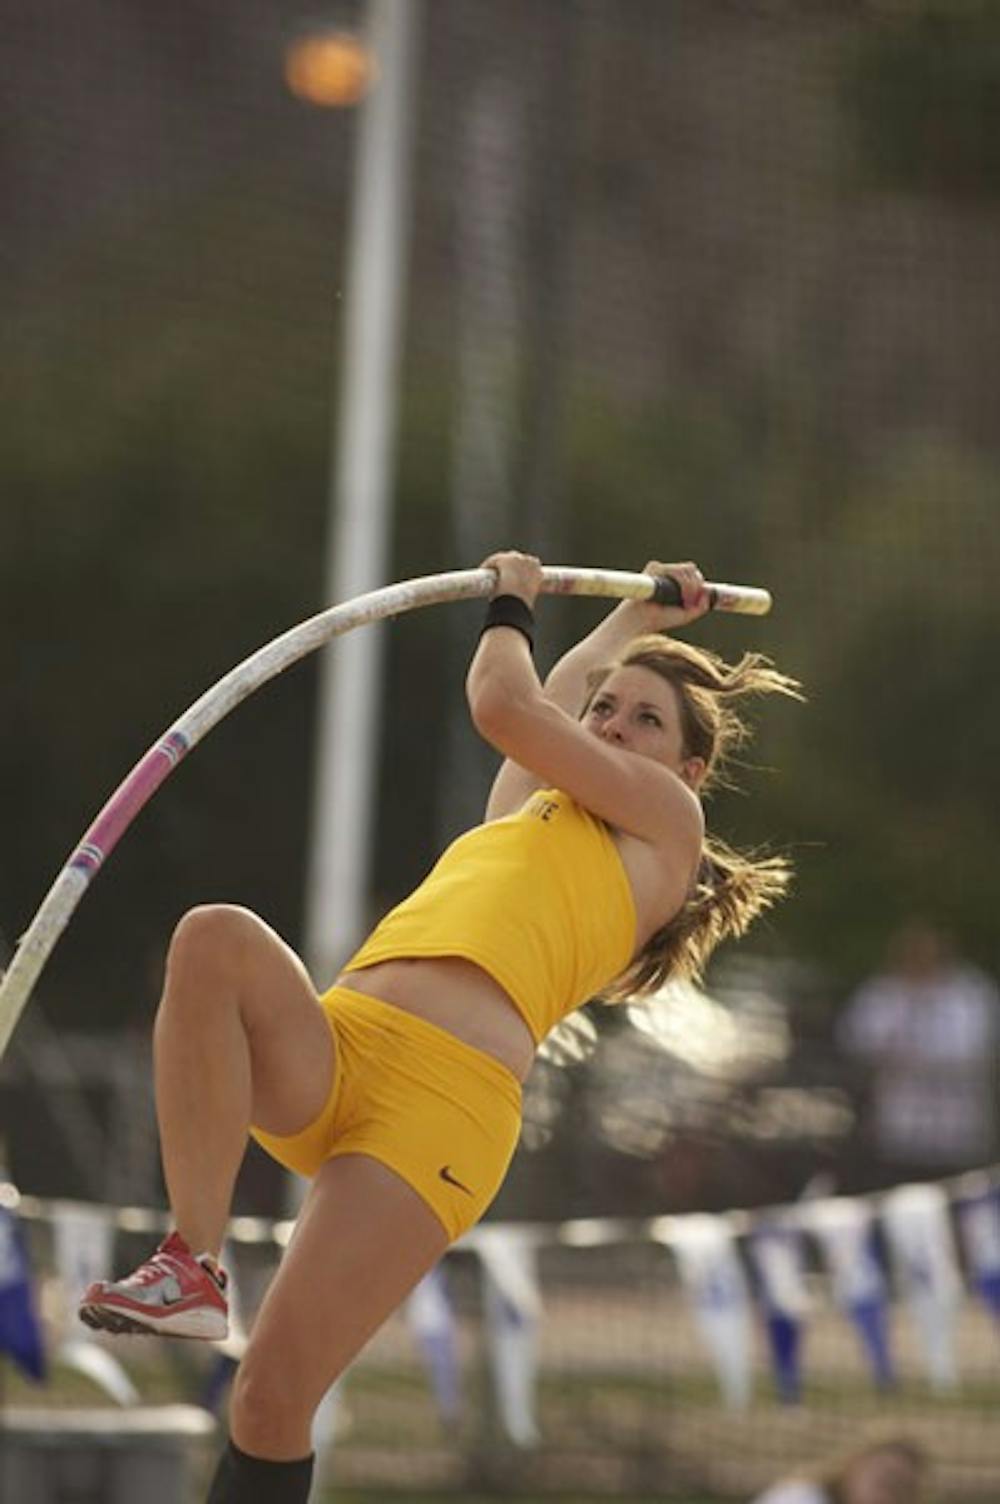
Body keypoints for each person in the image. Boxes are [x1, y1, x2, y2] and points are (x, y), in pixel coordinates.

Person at [78, 552, 800, 1503]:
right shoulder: (523, 810)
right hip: (339, 1048)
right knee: (213, 936)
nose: (617, 725)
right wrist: (632, 623)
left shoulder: (664, 827)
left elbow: (508, 705)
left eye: (647, 721)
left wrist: (514, 597)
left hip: (439, 1111)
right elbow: (549, 711)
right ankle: (192, 1265)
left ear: (689, 767)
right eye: (607, 711)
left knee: (270, 1398)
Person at [837, 919, 1000, 1186]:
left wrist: (914, 1058)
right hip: (898, 1133)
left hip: (959, 1135)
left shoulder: (972, 996)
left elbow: (974, 1051)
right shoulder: (881, 995)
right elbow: (858, 1044)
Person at [749, 1435, 928, 1504]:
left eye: (900, 1488)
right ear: (854, 1466)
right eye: (883, 1480)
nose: (886, 1495)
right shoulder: (800, 1498)